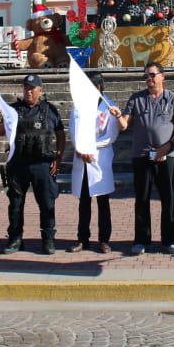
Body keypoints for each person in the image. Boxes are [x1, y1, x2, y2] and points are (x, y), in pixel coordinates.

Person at [112, 61, 174, 256]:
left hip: (166, 156)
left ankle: (170, 240)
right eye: (146, 75)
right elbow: (124, 125)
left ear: (163, 76)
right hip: (141, 155)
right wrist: (118, 116)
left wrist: (166, 148)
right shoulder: (136, 98)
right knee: (142, 198)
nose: (149, 79)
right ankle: (141, 240)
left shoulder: (173, 99)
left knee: (168, 198)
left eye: (152, 75)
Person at [0, 74, 65, 255]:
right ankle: (15, 239)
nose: (28, 91)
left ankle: (48, 239)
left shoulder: (50, 110)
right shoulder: (13, 110)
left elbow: (60, 134)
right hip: (18, 163)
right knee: (15, 203)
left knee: (46, 202)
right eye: (26, 88)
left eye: (32, 88)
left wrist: (59, 157)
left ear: (40, 90)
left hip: (42, 164)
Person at [69, 72, 118, 254]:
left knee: (103, 202)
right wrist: (81, 147)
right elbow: (73, 129)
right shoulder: (78, 105)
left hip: (99, 159)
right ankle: (82, 239)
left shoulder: (109, 106)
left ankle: (104, 240)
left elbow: (111, 136)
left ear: (97, 87)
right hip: (82, 158)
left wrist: (90, 147)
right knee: (84, 203)